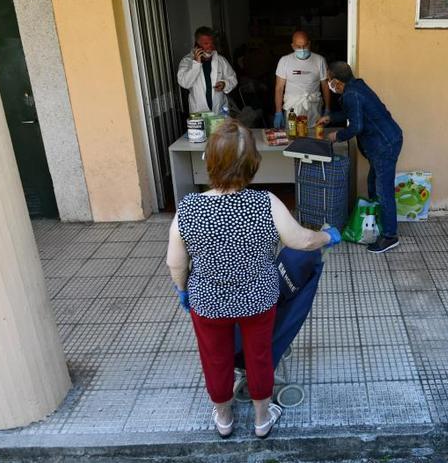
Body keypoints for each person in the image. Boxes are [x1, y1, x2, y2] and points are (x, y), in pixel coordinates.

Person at [166, 119, 340, 439]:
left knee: (214, 358)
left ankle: (223, 417)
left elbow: (175, 262)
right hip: (258, 299)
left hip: (207, 301)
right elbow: (301, 241)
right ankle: (262, 419)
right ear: (252, 165)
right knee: (259, 356)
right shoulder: (265, 203)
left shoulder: (189, 207)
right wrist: (326, 237)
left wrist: (183, 290)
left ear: (209, 160)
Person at [316, 62, 403, 253]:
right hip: (386, 140)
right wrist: (331, 118)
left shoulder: (351, 94)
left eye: (330, 80)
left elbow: (356, 127)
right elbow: (354, 113)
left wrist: (337, 136)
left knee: (383, 190)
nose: (329, 83)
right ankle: (375, 222)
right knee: (373, 184)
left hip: (384, 145)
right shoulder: (356, 86)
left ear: (337, 82)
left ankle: (390, 236)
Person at [273, 31, 330, 129]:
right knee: (293, 137)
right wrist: (278, 112)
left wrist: (328, 108)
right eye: (298, 47)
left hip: (313, 107)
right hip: (292, 108)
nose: (302, 49)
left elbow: (325, 86)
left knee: (314, 137)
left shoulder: (320, 60)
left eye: (305, 46)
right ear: (293, 46)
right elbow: (279, 88)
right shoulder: (284, 61)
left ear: (309, 43)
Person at [177, 27, 237, 114]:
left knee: (221, 127)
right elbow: (184, 83)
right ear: (197, 44)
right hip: (198, 112)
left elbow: (233, 79)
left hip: (219, 110)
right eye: (206, 43)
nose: (210, 46)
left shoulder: (221, 60)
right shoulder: (187, 61)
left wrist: (225, 84)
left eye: (211, 43)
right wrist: (196, 63)